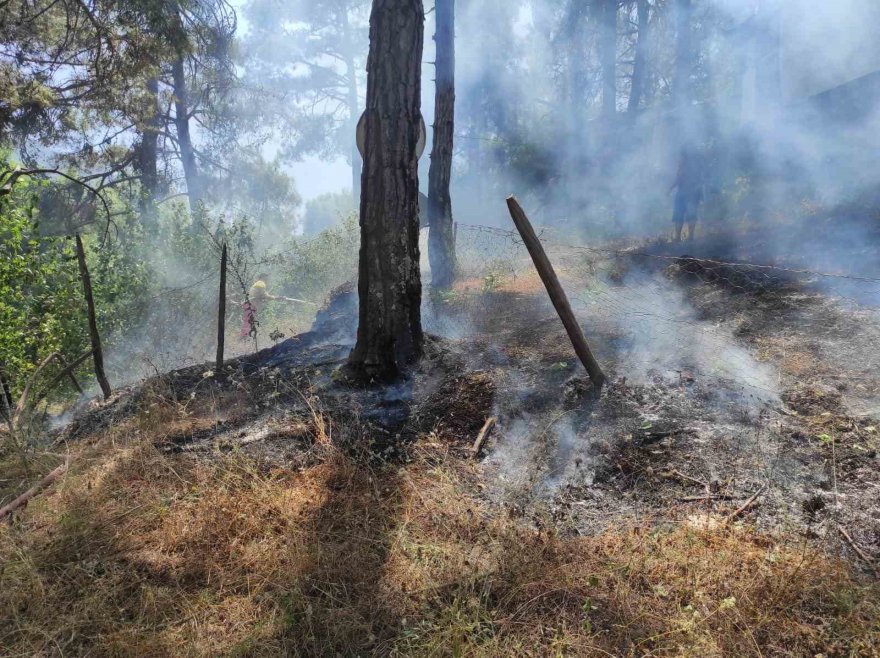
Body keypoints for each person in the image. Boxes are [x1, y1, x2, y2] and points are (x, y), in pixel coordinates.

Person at [669, 148, 704, 242]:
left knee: (681, 215)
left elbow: (679, 179)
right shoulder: (693, 166)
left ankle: (679, 238)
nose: (678, 159)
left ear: (684, 157)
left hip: (687, 194)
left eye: (679, 157)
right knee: (686, 215)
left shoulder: (685, 167)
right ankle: (688, 237)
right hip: (689, 193)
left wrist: (669, 189)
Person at [240, 273, 277, 340]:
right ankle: (243, 337)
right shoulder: (261, 283)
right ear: (262, 277)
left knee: (249, 321)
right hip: (250, 305)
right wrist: (274, 297)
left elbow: (260, 296)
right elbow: (264, 295)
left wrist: (270, 298)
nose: (267, 279)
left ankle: (245, 336)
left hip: (249, 304)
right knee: (248, 321)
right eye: (266, 277)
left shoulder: (258, 284)